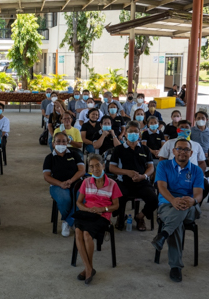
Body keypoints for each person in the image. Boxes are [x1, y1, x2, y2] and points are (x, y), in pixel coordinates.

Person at [152, 139, 204, 283]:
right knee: (177, 222)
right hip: (167, 206)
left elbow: (199, 193)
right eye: (179, 149)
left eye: (186, 149)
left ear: (191, 153)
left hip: (190, 208)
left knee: (183, 208)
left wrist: (193, 201)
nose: (182, 152)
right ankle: (176, 267)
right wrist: (173, 200)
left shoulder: (196, 170)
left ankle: (164, 234)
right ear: (173, 151)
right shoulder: (163, 165)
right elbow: (161, 187)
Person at [73, 154, 122, 284]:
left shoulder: (112, 184)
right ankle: (89, 268)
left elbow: (116, 205)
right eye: (91, 166)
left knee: (87, 234)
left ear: (103, 165)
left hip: (102, 216)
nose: (95, 169)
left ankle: (88, 268)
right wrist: (87, 209)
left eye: (97, 165)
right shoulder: (86, 182)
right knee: (78, 232)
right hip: (87, 213)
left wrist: (103, 209)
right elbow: (79, 202)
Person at [107, 121, 157, 231]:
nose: (133, 134)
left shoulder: (145, 149)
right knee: (117, 197)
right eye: (130, 132)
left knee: (154, 198)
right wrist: (127, 172)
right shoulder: (119, 149)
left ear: (139, 134)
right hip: (123, 181)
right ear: (125, 134)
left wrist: (143, 176)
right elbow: (112, 168)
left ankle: (139, 217)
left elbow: (151, 167)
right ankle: (121, 216)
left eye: (135, 131)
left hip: (142, 182)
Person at [43, 132, 86, 237]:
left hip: (76, 182)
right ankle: (72, 220)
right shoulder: (49, 158)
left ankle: (67, 221)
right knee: (65, 200)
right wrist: (60, 183)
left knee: (83, 198)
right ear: (53, 143)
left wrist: (71, 180)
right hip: (57, 185)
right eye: (58, 141)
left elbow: (82, 170)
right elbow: (47, 176)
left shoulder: (74, 154)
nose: (61, 143)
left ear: (67, 143)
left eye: (64, 141)